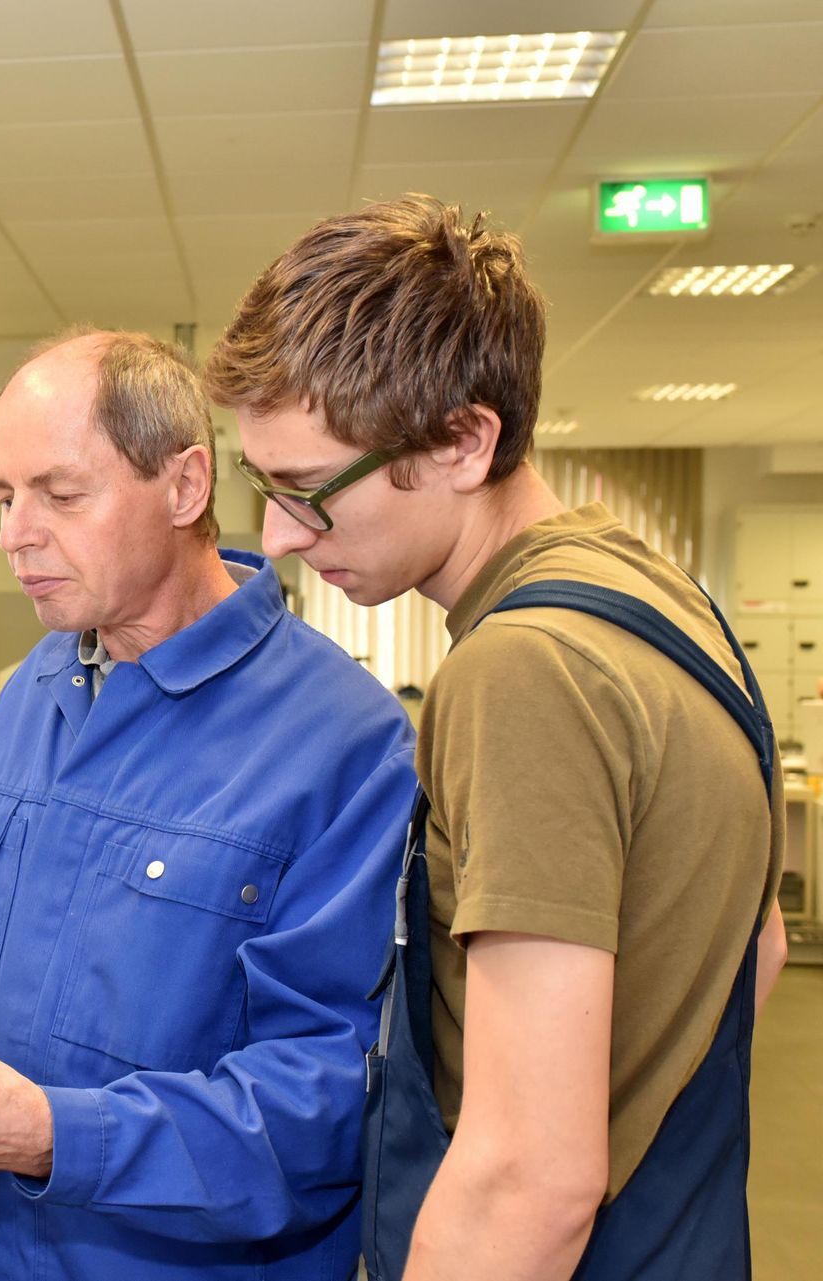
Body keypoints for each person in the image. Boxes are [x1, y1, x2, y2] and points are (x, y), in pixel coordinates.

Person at [202, 194, 786, 1280]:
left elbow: (529, 1177)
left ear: (466, 440)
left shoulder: (522, 670)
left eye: (308, 490)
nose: (278, 537)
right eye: (262, 486)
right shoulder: (662, 599)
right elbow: (756, 955)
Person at [0, 330, 418, 1279]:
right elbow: (38, 919)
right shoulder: (40, 683)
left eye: (61, 494)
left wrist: (51, 1133)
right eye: (4, 497)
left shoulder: (347, 743)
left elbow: (324, 1108)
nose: (14, 534)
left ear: (186, 486)